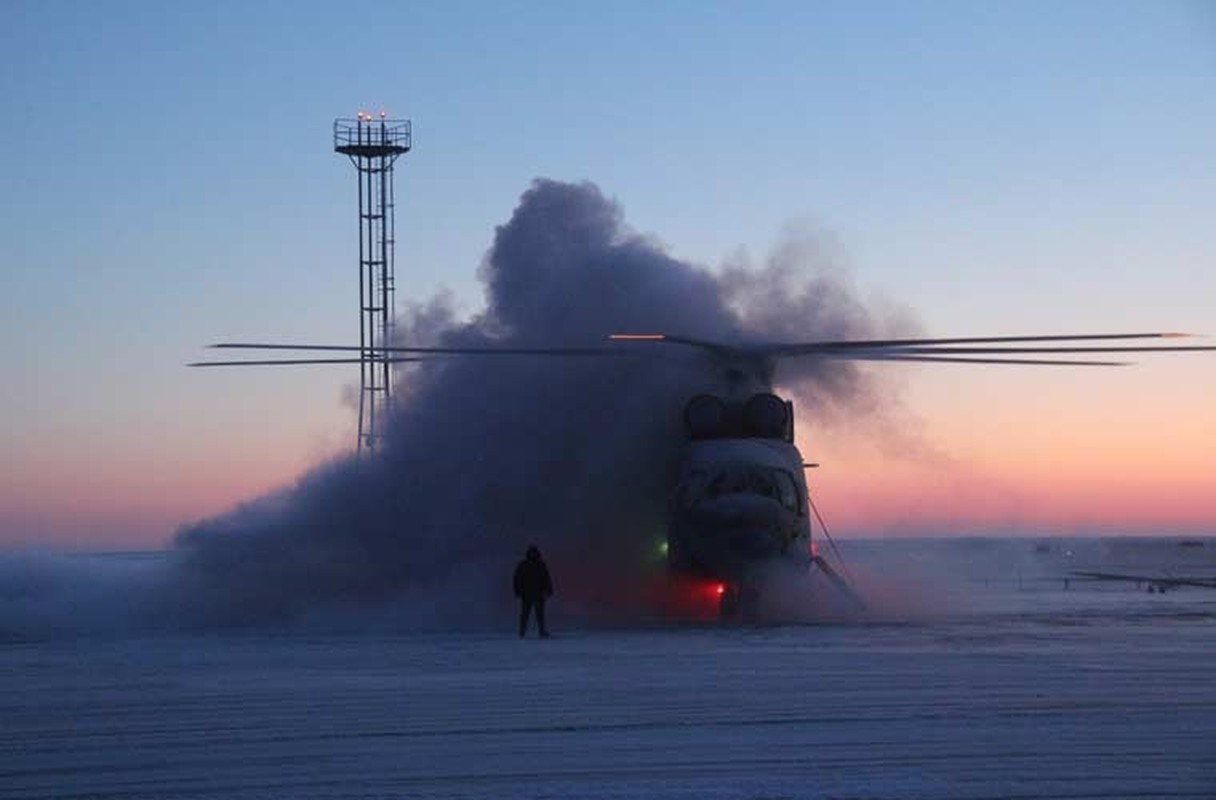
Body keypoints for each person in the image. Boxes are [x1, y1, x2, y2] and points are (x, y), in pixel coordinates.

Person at [513, 545, 553, 638]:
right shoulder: (524, 565)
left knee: (538, 615)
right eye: (532, 553)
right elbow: (517, 579)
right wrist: (518, 590)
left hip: (537, 593)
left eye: (534, 553)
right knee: (526, 615)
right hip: (528, 594)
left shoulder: (539, 565)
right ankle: (522, 632)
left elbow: (546, 578)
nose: (533, 555)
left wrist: (549, 589)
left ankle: (540, 631)